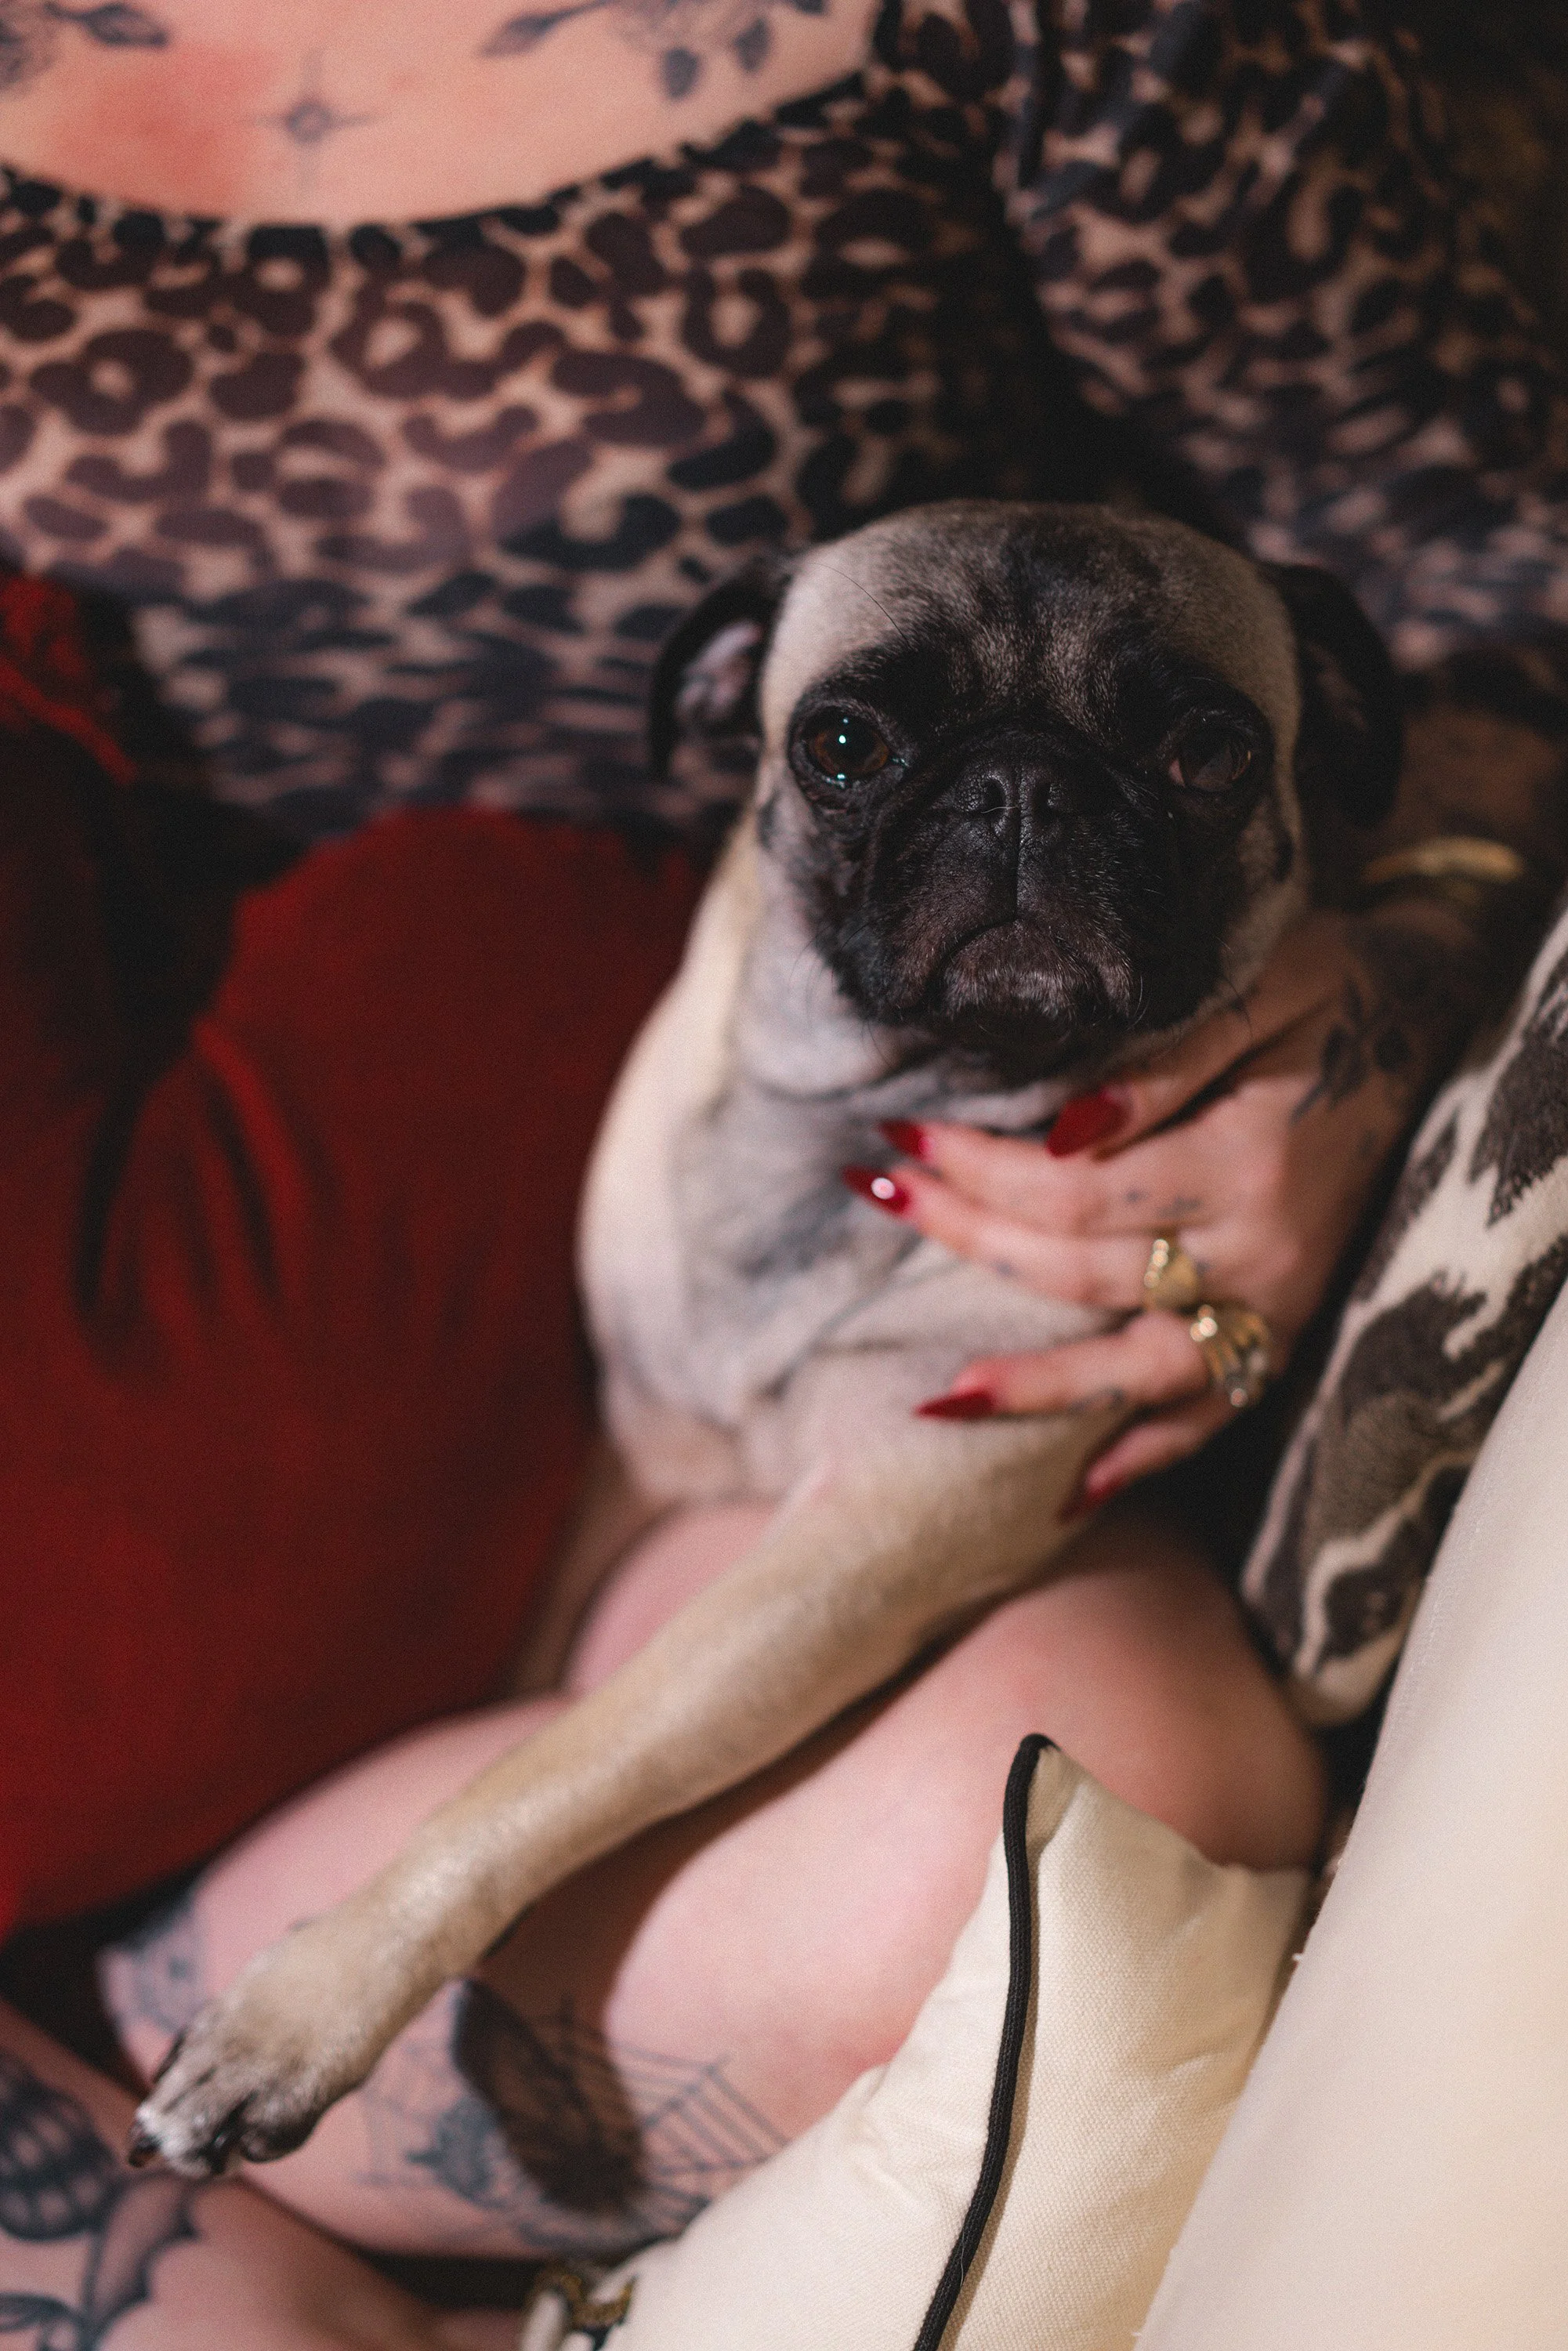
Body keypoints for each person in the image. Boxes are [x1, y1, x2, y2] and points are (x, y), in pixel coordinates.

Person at [1, 0, 1565, 2335]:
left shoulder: (1048, 32)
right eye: (872, 739)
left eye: (1144, 747)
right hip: (181, 1258)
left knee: (1103, 1792)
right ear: (748, 714)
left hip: (755, 1260)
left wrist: (1380, 1013)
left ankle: (147, 2026)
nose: (1022, 810)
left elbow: (1505, 573)